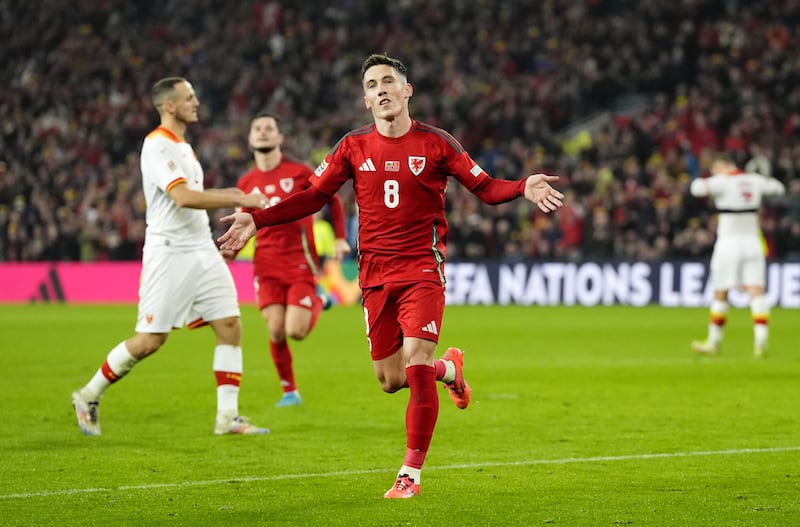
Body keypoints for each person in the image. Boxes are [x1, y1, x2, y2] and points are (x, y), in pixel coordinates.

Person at [217, 54, 564, 498]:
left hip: (421, 266)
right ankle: (450, 369)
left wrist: (521, 187)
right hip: (374, 274)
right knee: (390, 379)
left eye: (388, 81)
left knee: (415, 362)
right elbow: (312, 197)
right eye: (372, 84)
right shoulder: (352, 146)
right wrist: (258, 219)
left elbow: (485, 187)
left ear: (407, 91)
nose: (381, 89)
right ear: (365, 100)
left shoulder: (438, 143)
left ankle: (410, 474)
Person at [71, 77, 270, 436]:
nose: (196, 102)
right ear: (169, 106)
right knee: (150, 340)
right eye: (189, 97)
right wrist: (238, 196)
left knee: (230, 325)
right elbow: (183, 197)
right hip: (169, 253)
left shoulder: (184, 148)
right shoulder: (157, 146)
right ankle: (88, 394)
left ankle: (228, 417)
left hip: (201, 250)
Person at [229, 112, 350, 407]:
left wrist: (339, 237)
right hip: (266, 264)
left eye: (269, 128)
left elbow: (331, 198)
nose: (263, 133)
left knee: (295, 331)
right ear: (250, 139)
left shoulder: (298, 171)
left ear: (280, 137)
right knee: (274, 329)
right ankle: (289, 391)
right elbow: (241, 223)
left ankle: (321, 298)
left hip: (299, 261)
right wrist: (227, 252)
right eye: (257, 128)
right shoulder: (246, 181)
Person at [689, 154, 786, 357]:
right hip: (753, 242)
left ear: (722, 166)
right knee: (756, 291)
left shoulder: (723, 180)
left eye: (715, 169)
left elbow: (696, 188)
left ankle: (714, 342)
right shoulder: (754, 180)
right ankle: (761, 339)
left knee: (721, 291)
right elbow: (778, 188)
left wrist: (706, 179)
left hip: (728, 243)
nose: (714, 173)